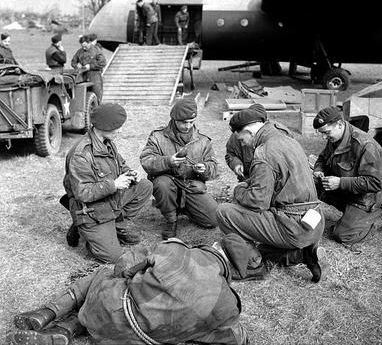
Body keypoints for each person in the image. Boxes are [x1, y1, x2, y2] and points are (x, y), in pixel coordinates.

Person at [8, 237, 249, 345]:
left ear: (215, 246)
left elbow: (122, 266)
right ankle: (65, 330)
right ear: (233, 272)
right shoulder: (228, 307)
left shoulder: (178, 249)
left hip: (110, 309)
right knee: (120, 305)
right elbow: (235, 338)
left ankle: (47, 314)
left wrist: (132, 279)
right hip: (131, 341)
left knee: (103, 275)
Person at [217, 108, 326, 283]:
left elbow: (257, 202)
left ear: (248, 131)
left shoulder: (263, 153)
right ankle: (302, 254)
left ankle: (253, 267)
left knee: (223, 212)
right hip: (314, 222)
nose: (243, 144)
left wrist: (239, 190)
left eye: (242, 139)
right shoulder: (288, 140)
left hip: (293, 225)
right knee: (264, 247)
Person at [63, 103, 153, 263]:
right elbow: (82, 193)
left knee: (145, 186)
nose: (120, 130)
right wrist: (114, 184)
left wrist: (131, 173)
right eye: (117, 127)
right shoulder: (81, 154)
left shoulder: (107, 143)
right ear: (104, 126)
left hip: (109, 200)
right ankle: (88, 234)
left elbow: (121, 164)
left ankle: (116, 226)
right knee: (114, 257)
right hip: (90, 208)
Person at [312, 106, 382, 245]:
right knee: (312, 185)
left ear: (339, 124)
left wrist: (340, 183)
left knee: (344, 235)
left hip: (372, 196)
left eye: (326, 133)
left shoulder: (365, 145)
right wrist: (319, 170)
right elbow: (322, 158)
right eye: (322, 133)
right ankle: (352, 214)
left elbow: (376, 183)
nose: (324, 137)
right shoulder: (336, 137)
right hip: (351, 188)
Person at [140, 97, 218, 239]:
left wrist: (205, 168)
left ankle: (187, 207)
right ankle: (171, 220)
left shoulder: (202, 141)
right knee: (162, 184)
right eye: (183, 122)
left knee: (212, 220)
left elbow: (213, 167)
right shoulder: (158, 137)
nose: (187, 126)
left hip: (191, 186)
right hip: (168, 183)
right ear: (174, 119)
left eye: (191, 122)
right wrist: (168, 161)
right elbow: (146, 160)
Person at [225, 104, 293, 181]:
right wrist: (236, 164)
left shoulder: (281, 134)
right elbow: (230, 154)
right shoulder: (239, 134)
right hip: (248, 180)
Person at [71, 35, 106, 102]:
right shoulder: (79, 52)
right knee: (85, 98)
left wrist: (90, 66)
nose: (84, 48)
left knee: (97, 96)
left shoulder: (96, 50)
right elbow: (73, 62)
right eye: (82, 46)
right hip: (82, 77)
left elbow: (102, 62)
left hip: (95, 77)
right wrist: (76, 65)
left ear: (89, 43)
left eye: (85, 46)